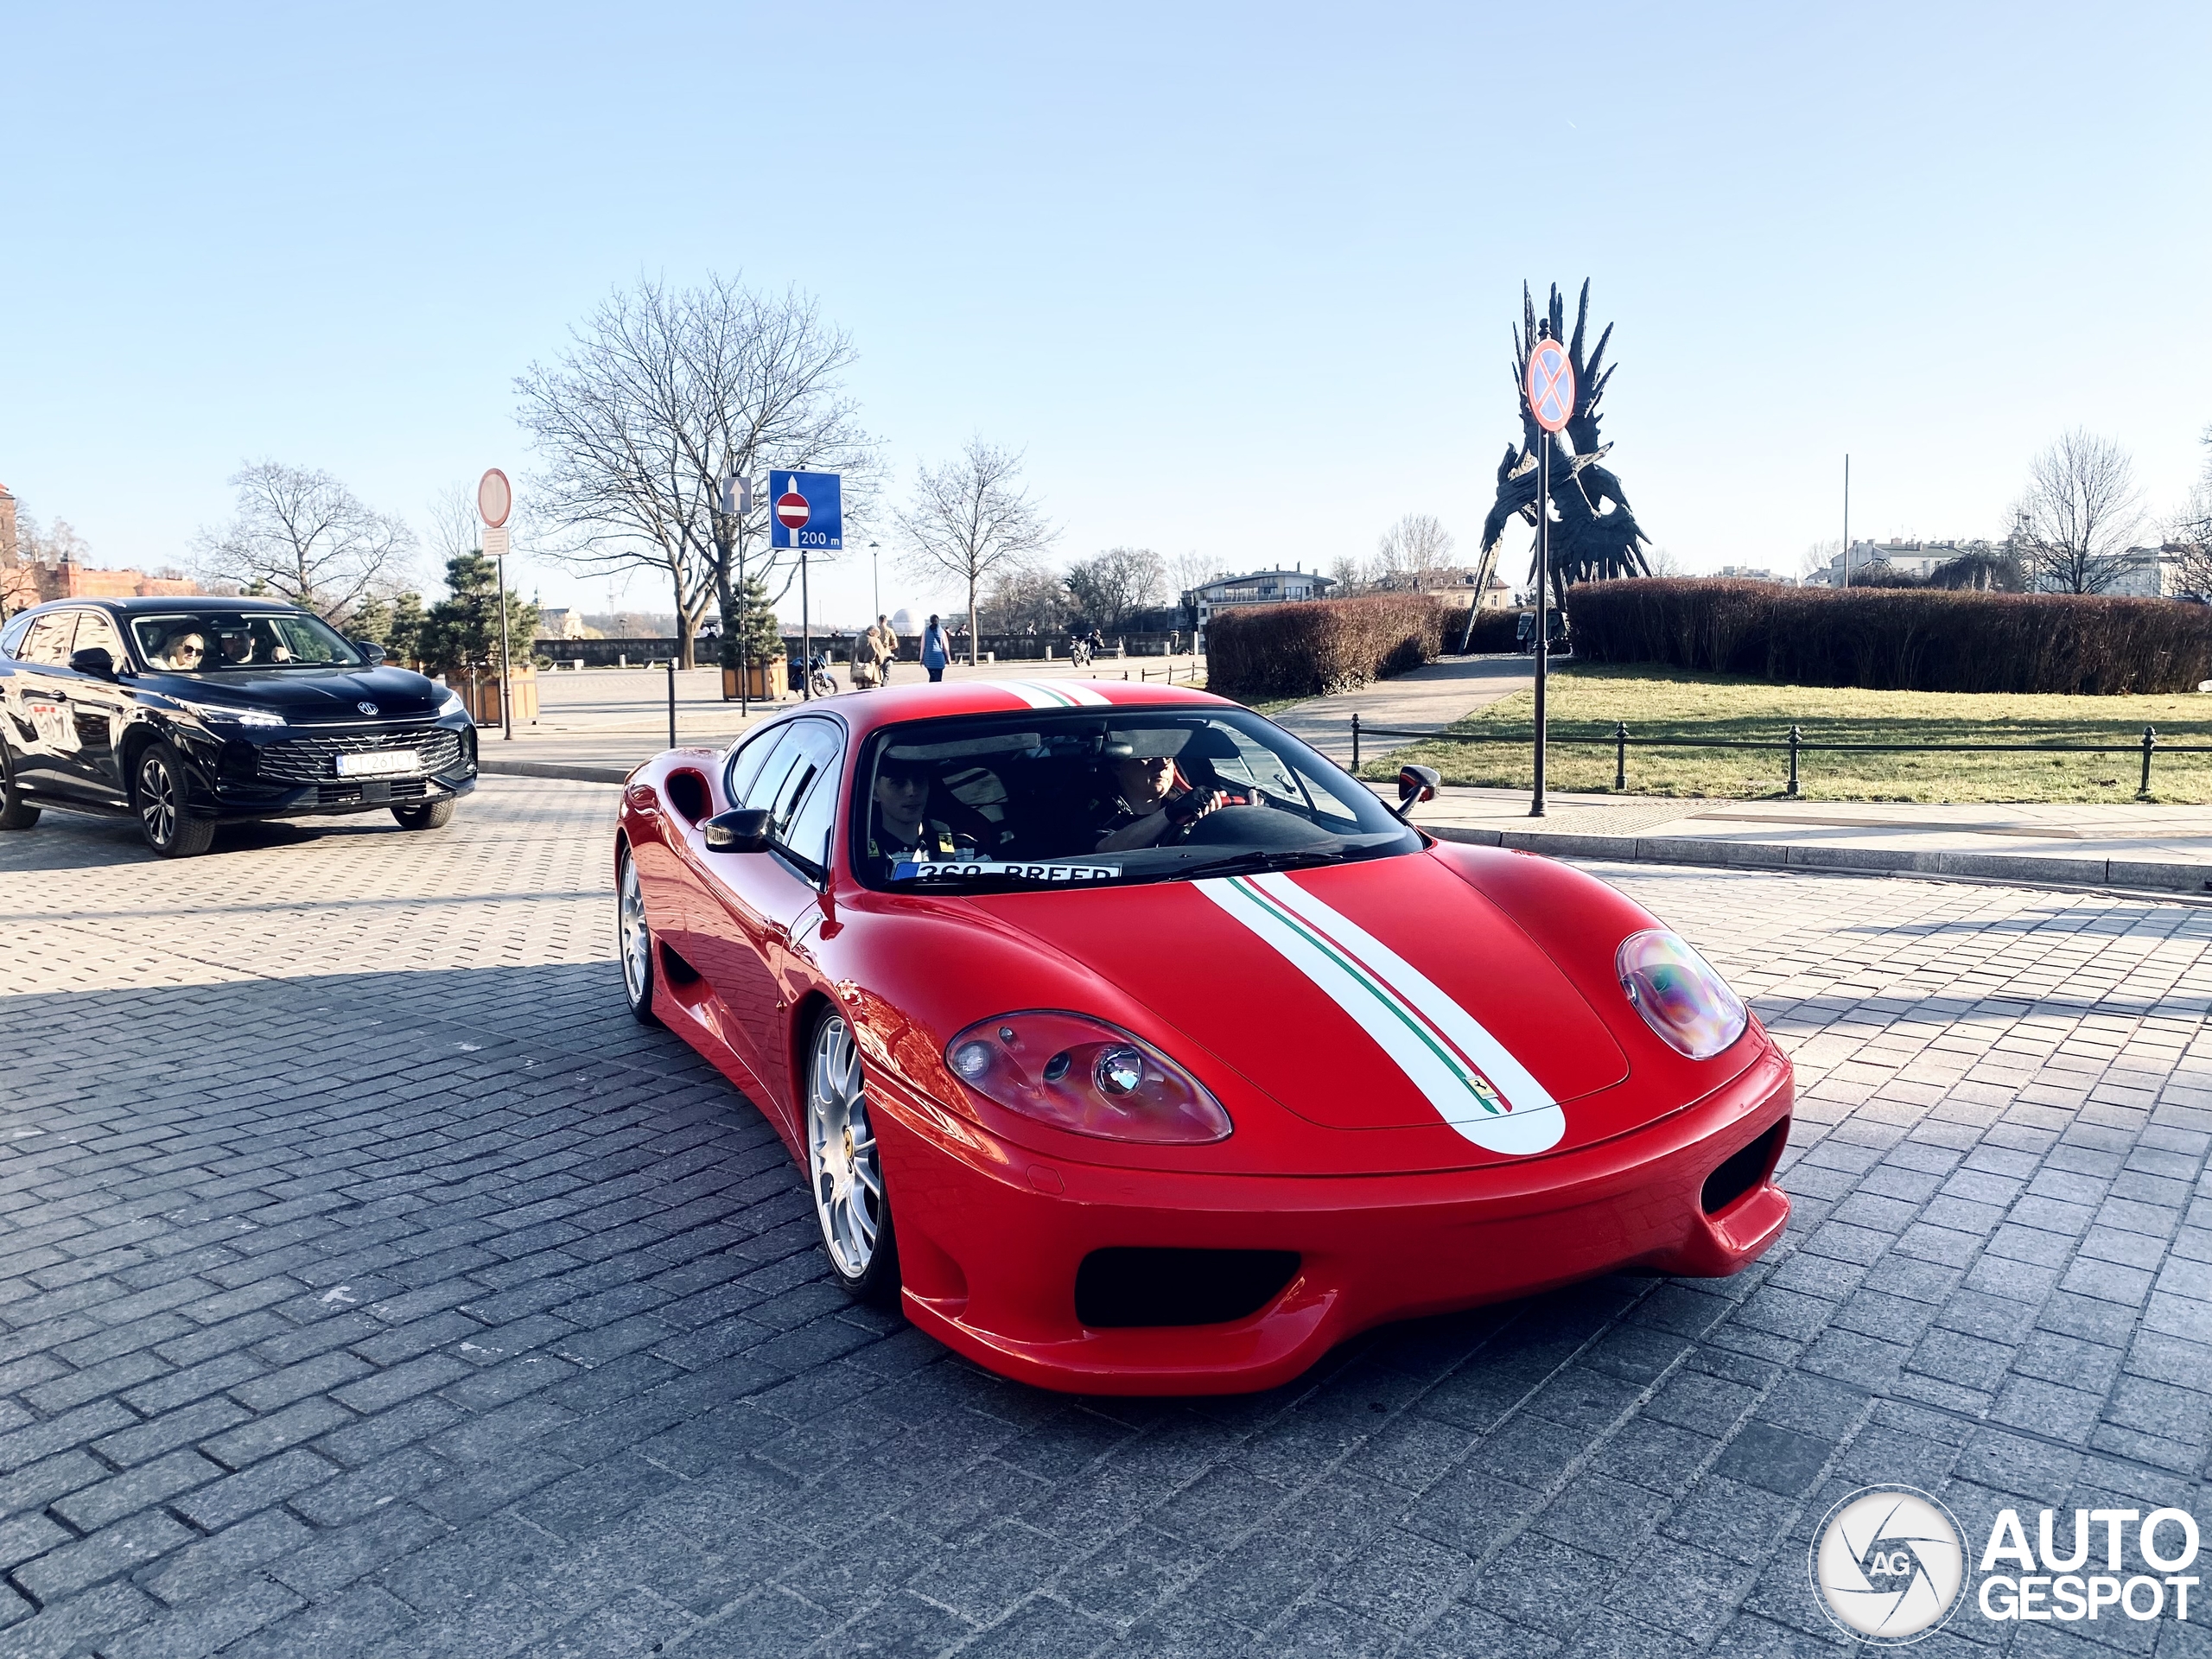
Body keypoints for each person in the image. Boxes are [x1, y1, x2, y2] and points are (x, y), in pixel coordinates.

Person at [1094, 738, 1230, 852]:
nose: (1162, 764)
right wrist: (1172, 813)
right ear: (1117, 767)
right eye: (1148, 756)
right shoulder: (1098, 809)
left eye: (1168, 757)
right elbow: (1105, 850)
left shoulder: (1191, 803)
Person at [862, 752, 975, 878]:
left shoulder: (965, 849)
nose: (912, 791)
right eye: (898, 783)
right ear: (875, 793)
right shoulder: (859, 853)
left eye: (919, 780)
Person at [920, 614, 950, 683]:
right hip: (938, 658)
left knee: (932, 677)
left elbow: (923, 646)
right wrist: (948, 658)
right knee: (938, 679)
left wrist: (921, 658)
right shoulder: (942, 631)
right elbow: (945, 646)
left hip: (928, 658)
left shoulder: (926, 631)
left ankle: (930, 688)